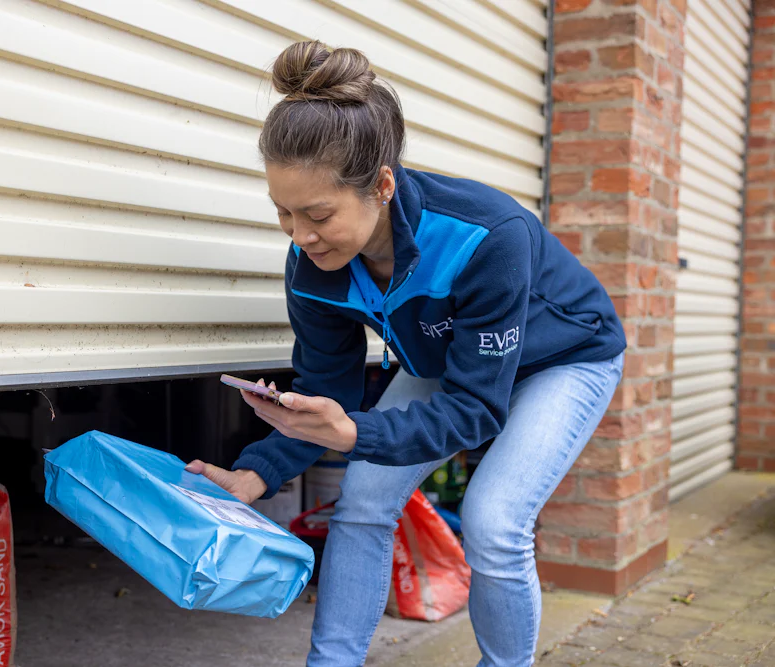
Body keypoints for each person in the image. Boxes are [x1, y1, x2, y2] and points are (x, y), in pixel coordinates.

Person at [185, 40, 626, 667]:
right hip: (454, 362)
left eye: (317, 214)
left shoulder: (488, 237)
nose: (300, 235)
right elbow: (325, 390)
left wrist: (353, 430)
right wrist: (257, 471)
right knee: (362, 502)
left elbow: (476, 411)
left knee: (495, 522)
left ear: (383, 185)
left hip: (564, 359)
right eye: (283, 214)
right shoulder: (311, 265)